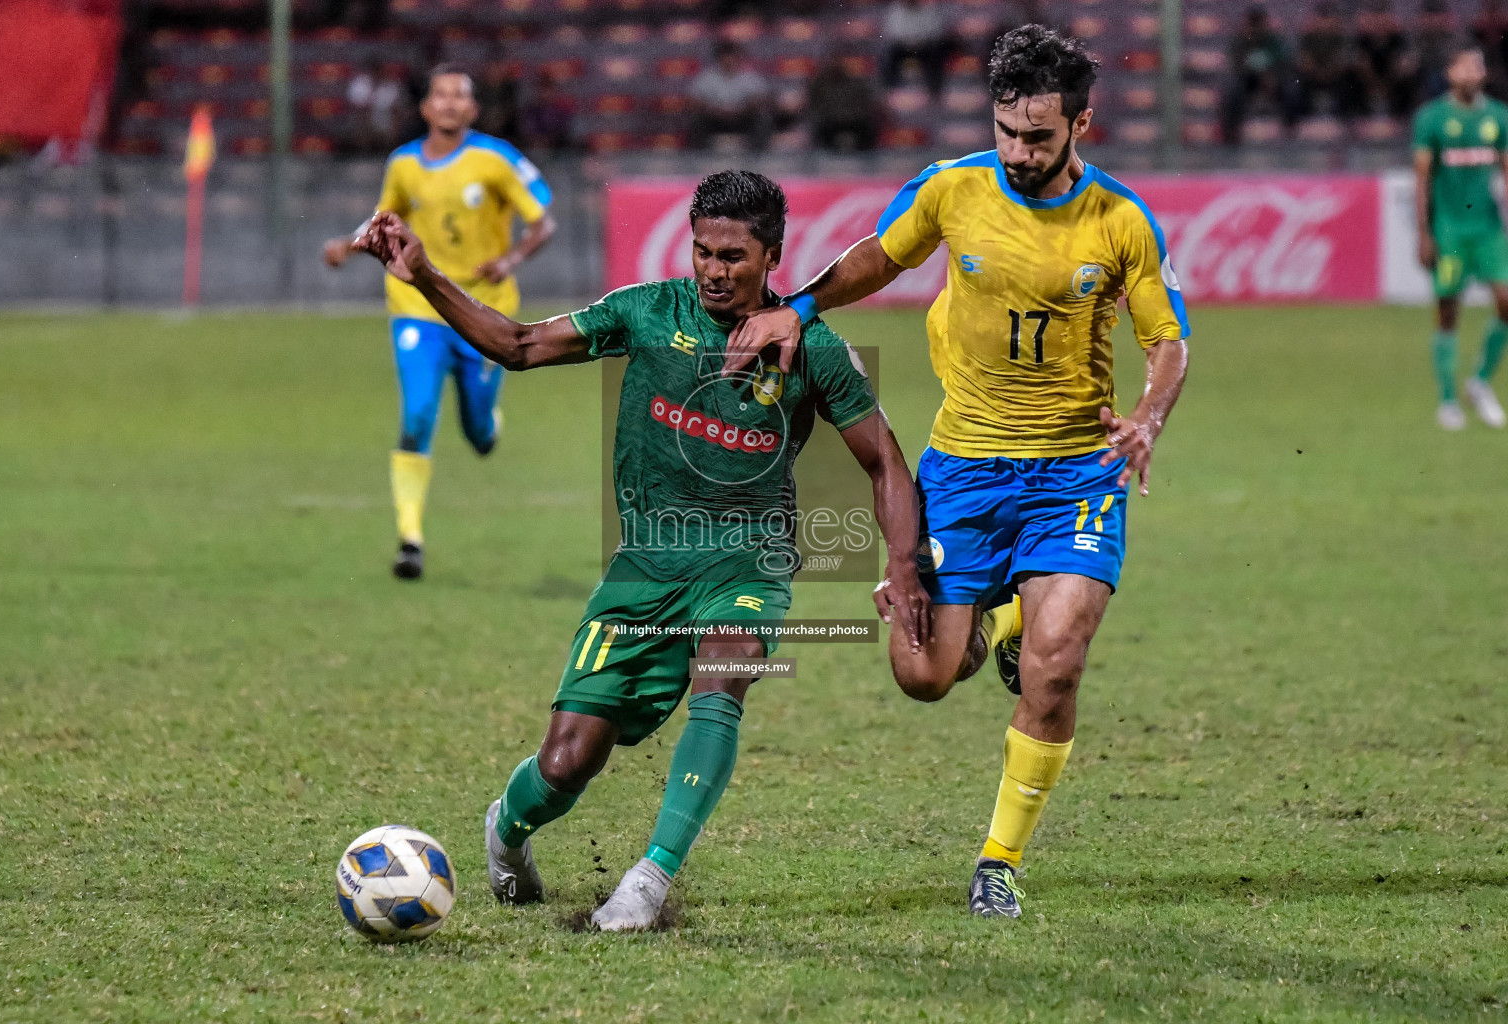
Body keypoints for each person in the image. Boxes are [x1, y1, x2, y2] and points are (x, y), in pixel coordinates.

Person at [353, 171, 929, 931]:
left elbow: (887, 461)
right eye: (702, 252)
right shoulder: (648, 311)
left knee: (722, 683)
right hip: (645, 567)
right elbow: (520, 346)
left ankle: (648, 881)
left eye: (733, 256)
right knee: (565, 764)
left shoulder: (813, 347)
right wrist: (423, 272)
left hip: (748, 558)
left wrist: (901, 564)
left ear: (773, 255)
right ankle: (507, 828)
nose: (714, 270)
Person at [724, 26, 1190, 920]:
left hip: (1074, 472)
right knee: (924, 673)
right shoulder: (952, 188)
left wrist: (1148, 417)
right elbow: (880, 255)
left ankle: (999, 860)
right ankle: (1002, 611)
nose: (1019, 151)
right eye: (1008, 130)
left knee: (1057, 668)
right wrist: (796, 308)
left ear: (1080, 125)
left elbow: (1167, 337)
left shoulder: (1121, 221)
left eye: (1039, 136)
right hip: (965, 466)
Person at [322, 64, 557, 580]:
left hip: (483, 311)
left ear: (472, 109)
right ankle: (410, 539)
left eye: (460, 96)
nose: (450, 103)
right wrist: (347, 244)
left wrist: (511, 259)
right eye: (441, 95)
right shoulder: (403, 164)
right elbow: (383, 222)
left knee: (477, 434)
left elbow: (544, 221)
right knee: (417, 414)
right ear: (426, 107)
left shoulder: (496, 159)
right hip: (418, 309)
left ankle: (487, 425)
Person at [1412, 43, 1508, 430]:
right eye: (1464, 66)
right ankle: (1448, 400)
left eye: (1477, 66)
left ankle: (1479, 382)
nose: (1471, 73)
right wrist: (1423, 233)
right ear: (1450, 73)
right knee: (1448, 310)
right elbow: (1422, 181)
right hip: (1449, 230)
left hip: (1488, 229)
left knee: (1506, 302)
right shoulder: (1432, 119)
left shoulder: (1499, 117)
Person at [1219, 6, 1293, 145]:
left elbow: (1284, 63)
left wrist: (1272, 76)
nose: (1257, 27)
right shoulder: (1241, 41)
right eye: (1254, 23)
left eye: (1259, 23)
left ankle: (1289, 132)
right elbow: (1237, 65)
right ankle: (1232, 134)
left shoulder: (1274, 41)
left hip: (1274, 81)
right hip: (1249, 81)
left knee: (1291, 91)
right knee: (1232, 91)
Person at [688, 42, 772, 151]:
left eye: (732, 57)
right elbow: (694, 101)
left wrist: (741, 109)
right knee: (697, 121)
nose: (729, 61)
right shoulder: (706, 78)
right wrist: (715, 110)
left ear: (738, 58)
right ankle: (699, 155)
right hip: (714, 118)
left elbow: (761, 99)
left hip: (742, 117)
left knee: (762, 121)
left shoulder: (750, 77)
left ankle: (757, 155)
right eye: (725, 57)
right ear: (718, 58)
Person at [807, 53, 883, 152]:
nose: (836, 66)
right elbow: (814, 105)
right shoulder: (820, 84)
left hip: (855, 123)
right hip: (831, 124)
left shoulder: (857, 83)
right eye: (833, 63)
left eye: (839, 63)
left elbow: (867, 104)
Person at [882, 0, 954, 100]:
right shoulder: (895, 11)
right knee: (888, 54)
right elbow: (893, 33)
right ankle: (889, 91)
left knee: (936, 54)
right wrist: (909, 42)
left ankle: (935, 92)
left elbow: (935, 32)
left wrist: (919, 42)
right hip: (903, 48)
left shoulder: (929, 10)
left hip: (924, 47)